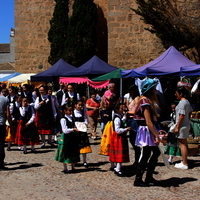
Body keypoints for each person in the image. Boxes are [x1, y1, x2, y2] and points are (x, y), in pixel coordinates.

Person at [133, 79, 161, 187]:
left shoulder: (145, 100)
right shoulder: (145, 101)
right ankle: (138, 179)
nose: (155, 90)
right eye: (154, 89)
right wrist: (156, 135)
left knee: (153, 152)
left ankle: (148, 177)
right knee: (146, 154)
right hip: (145, 130)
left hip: (147, 129)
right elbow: (148, 121)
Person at [55, 104, 80, 173]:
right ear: (65, 111)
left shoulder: (72, 118)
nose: (71, 112)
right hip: (66, 137)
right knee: (65, 151)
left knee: (73, 151)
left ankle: (73, 166)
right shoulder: (63, 119)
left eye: (71, 110)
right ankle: (65, 167)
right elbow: (64, 130)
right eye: (69, 110)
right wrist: (73, 129)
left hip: (72, 137)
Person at [109, 103, 131, 177]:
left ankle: (117, 167)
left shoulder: (119, 117)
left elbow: (121, 121)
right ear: (117, 110)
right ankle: (118, 169)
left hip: (119, 136)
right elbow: (117, 130)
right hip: (118, 137)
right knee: (119, 153)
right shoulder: (117, 118)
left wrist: (124, 118)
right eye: (121, 108)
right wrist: (126, 129)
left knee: (118, 152)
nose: (123, 110)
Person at [174, 86, 193, 170]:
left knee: (182, 144)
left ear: (181, 94)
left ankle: (184, 163)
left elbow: (181, 115)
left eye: (177, 93)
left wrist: (177, 126)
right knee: (184, 143)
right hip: (186, 124)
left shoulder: (182, 102)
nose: (175, 95)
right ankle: (184, 160)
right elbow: (190, 112)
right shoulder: (187, 102)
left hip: (182, 125)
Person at [73, 100, 92, 168]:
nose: (80, 107)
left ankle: (84, 161)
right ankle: (75, 161)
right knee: (75, 147)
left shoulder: (83, 113)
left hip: (82, 131)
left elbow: (86, 121)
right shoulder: (73, 113)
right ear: (75, 105)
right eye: (79, 105)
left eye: (81, 105)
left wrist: (83, 124)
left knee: (84, 146)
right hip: (75, 131)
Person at [0, 87, 13, 169]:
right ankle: (1, 162)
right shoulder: (5, 99)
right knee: (1, 143)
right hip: (1, 123)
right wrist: (11, 124)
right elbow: (8, 114)